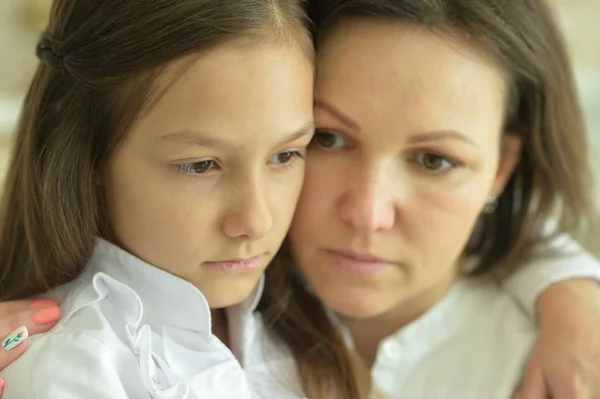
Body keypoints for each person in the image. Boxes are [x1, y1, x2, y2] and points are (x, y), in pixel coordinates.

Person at [0, 0, 364, 397]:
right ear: (91, 155)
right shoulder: (75, 366)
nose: (257, 221)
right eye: (201, 165)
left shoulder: (308, 330)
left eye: (285, 155)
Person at [280, 0, 600, 397]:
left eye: (434, 160)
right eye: (328, 138)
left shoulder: (553, 367)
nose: (367, 213)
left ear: (501, 168)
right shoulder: (209, 323)